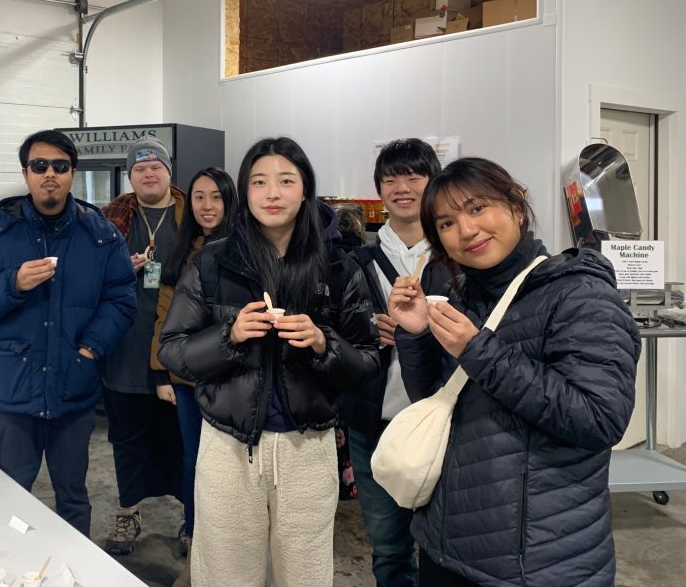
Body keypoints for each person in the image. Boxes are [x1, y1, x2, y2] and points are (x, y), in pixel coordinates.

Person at [388, 157, 641, 587]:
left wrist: (478, 351)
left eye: (477, 208)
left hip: (537, 558)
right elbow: (435, 402)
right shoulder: (458, 295)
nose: (467, 230)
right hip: (444, 543)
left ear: (517, 207)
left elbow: (600, 418)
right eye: (447, 223)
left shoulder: (580, 294)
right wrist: (414, 335)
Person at [159, 136, 381, 587]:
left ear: (305, 190)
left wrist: (322, 343)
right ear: (245, 191)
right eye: (259, 182)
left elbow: (367, 362)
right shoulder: (213, 263)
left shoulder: (337, 267)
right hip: (228, 445)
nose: (273, 193)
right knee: (224, 571)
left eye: (285, 180)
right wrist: (230, 335)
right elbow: (172, 349)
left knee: (304, 572)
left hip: (308, 448)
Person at [0, 130, 135, 537]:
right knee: (10, 495)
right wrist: (11, 283)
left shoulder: (100, 233)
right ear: (25, 173)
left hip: (74, 390)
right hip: (13, 395)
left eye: (60, 166)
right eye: (39, 166)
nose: (49, 174)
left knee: (73, 497)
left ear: (72, 172)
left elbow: (122, 297)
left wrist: (91, 347)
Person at [339, 138, 448, 587]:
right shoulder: (354, 261)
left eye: (413, 176)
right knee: (388, 547)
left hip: (442, 422)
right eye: (390, 178)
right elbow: (333, 331)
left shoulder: (454, 256)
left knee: (443, 545)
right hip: (374, 421)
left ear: (433, 181)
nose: (401, 187)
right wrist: (367, 327)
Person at [151, 167, 238, 587]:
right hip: (187, 379)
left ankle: (228, 540)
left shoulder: (244, 249)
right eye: (200, 197)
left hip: (232, 380)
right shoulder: (182, 251)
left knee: (230, 464)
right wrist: (162, 373)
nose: (207, 206)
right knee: (194, 460)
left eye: (216, 197)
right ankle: (195, 531)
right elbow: (164, 316)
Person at [101, 136, 186, 555]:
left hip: (178, 352)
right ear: (131, 175)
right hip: (123, 352)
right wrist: (118, 269)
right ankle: (127, 512)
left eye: (156, 166)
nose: (148, 173)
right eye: (140, 168)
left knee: (181, 439)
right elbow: (90, 278)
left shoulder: (193, 216)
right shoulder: (111, 219)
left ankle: (190, 516)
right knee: (126, 439)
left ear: (169, 171)